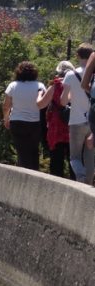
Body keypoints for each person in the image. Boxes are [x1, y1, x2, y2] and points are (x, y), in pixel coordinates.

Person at [3, 61, 48, 170]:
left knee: (22, 151)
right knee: (34, 151)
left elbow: (6, 106)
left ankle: (23, 176)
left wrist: (6, 119)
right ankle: (35, 174)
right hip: (35, 123)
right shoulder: (40, 85)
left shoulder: (13, 85)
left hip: (17, 121)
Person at [62, 43, 95, 184]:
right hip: (92, 121)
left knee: (74, 157)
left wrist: (71, 98)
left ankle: (80, 177)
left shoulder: (70, 74)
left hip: (76, 121)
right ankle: (88, 185)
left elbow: (63, 101)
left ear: (77, 55)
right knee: (90, 157)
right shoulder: (93, 75)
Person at [46, 61, 75, 179]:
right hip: (73, 124)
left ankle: (56, 183)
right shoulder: (77, 84)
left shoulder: (54, 85)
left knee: (56, 160)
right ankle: (76, 183)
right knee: (74, 158)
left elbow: (41, 104)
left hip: (56, 126)